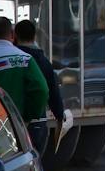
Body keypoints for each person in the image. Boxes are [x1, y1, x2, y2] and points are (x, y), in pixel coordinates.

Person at [15, 19, 70, 156]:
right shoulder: (43, 61)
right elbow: (52, 91)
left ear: (15, 36)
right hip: (38, 121)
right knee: (35, 164)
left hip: (13, 119)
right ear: (34, 37)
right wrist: (59, 115)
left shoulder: (12, 59)